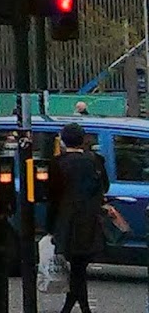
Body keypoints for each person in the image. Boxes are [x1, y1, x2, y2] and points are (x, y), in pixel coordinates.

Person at [48, 122, 125, 313]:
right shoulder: (95, 160)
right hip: (91, 220)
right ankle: (80, 308)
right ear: (83, 140)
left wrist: (50, 226)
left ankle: (75, 308)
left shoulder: (57, 163)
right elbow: (104, 186)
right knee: (79, 268)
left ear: (63, 141)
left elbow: (52, 196)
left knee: (77, 268)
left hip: (67, 221)